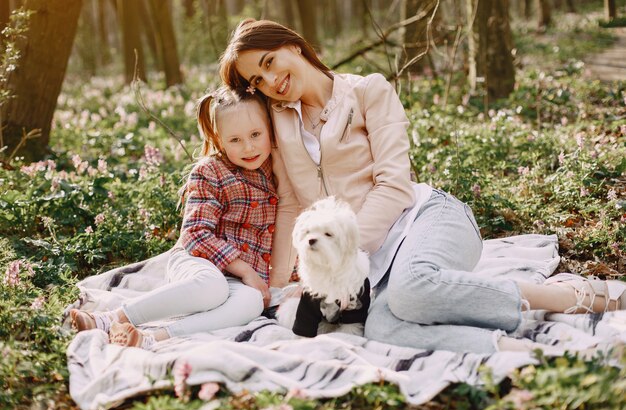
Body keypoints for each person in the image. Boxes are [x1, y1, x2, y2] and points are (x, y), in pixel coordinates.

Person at [219, 18, 626, 353]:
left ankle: (571, 296)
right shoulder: (280, 123)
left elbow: (394, 186)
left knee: (412, 290)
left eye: (271, 62)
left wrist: (344, 248)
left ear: (294, 45)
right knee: (383, 328)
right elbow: (292, 205)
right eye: (258, 79)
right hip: (373, 263)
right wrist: (279, 286)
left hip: (426, 219)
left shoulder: (367, 91)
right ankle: (520, 349)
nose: (271, 80)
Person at [70, 85, 279, 349]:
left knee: (251, 303)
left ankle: (151, 338)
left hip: (238, 280)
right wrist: (246, 270)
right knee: (213, 287)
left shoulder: (278, 170)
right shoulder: (210, 171)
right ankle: (111, 319)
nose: (248, 147)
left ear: (270, 129)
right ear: (219, 140)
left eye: (256, 134)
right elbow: (195, 234)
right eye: (235, 140)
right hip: (197, 262)